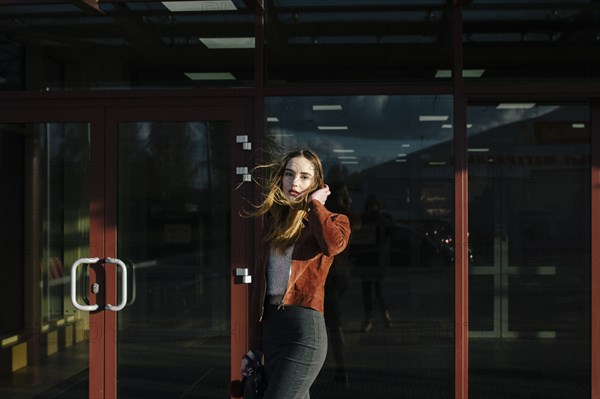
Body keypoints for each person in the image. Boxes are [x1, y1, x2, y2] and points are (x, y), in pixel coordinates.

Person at [241, 149, 351, 399]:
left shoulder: (333, 221)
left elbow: (332, 246)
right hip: (272, 330)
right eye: (289, 174)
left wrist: (315, 205)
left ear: (316, 183)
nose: (295, 182)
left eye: (304, 177)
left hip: (304, 332)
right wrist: (253, 349)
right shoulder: (272, 225)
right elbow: (260, 290)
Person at [323, 181, 358, 388]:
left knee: (332, 324)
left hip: (333, 276)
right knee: (332, 324)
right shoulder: (341, 217)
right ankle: (340, 370)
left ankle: (341, 370)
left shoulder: (336, 217)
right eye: (345, 195)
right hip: (339, 274)